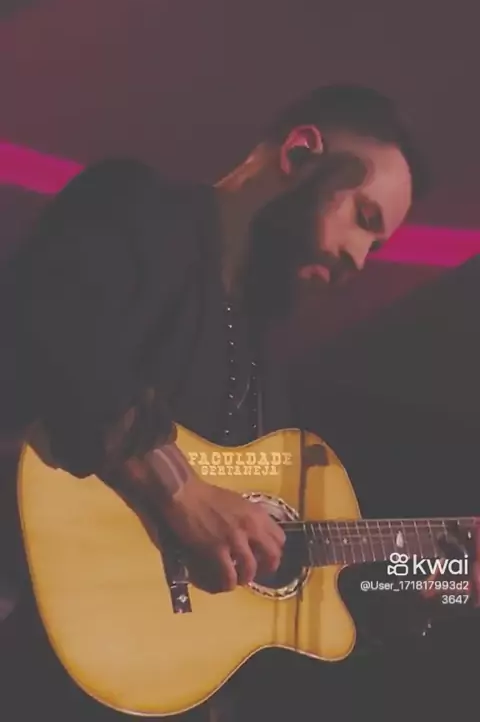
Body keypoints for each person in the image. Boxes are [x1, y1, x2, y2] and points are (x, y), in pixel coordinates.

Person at [1, 83, 430, 719]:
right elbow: (61, 337)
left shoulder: (262, 359)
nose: (361, 258)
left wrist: (423, 582)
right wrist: (181, 491)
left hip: (148, 684)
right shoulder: (136, 206)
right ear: (301, 152)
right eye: (364, 218)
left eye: (379, 244)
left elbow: (277, 597)